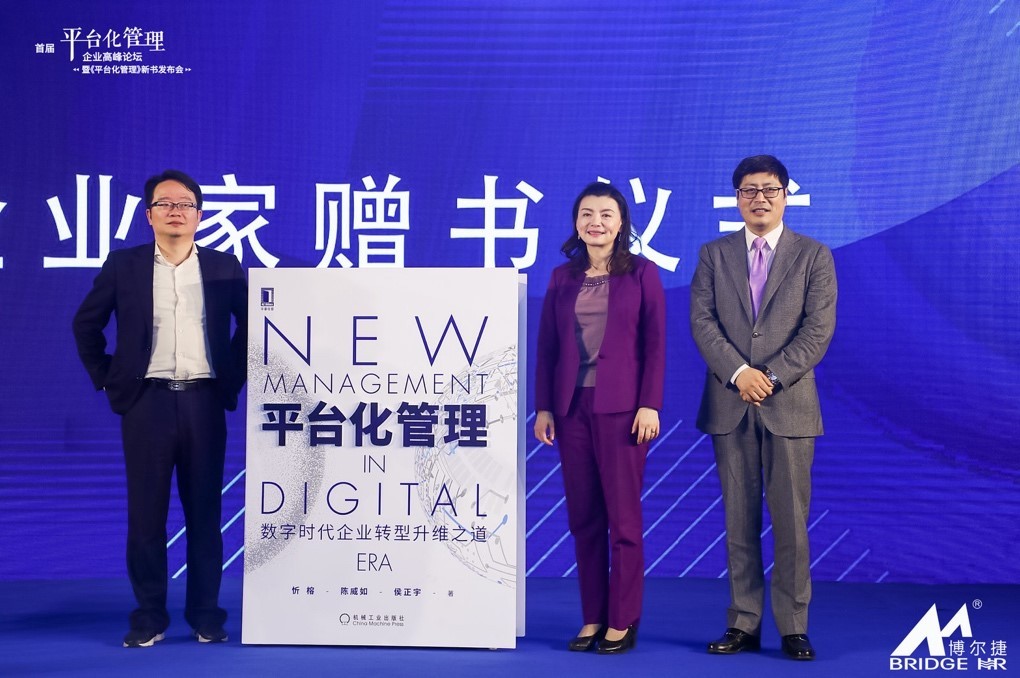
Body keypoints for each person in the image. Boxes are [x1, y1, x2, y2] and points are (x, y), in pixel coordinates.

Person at [72, 170, 247, 648]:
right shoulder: (124, 266)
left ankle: (206, 615)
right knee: (146, 518)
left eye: (185, 203)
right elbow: (86, 325)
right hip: (146, 403)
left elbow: (251, 326)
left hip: (204, 403)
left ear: (199, 215)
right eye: (164, 203)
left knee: (205, 515)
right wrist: (109, 377)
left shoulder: (224, 266)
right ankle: (149, 616)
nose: (175, 211)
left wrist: (230, 378)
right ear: (148, 215)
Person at [690, 155, 836, 660]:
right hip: (730, 403)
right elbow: (702, 322)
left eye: (769, 189)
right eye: (749, 190)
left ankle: (794, 626)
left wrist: (769, 376)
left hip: (789, 404)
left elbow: (818, 330)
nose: (760, 198)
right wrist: (739, 373)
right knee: (739, 520)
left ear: (785, 196)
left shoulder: (813, 255)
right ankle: (743, 622)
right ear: (737, 199)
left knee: (792, 522)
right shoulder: (714, 254)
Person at [534, 181, 665, 655]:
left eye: (606, 214)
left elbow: (655, 344)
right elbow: (548, 348)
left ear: (621, 223)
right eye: (587, 214)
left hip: (623, 410)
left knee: (623, 520)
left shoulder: (642, 273)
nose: (596, 222)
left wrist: (650, 403)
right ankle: (592, 616)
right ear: (576, 223)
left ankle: (622, 619)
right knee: (583, 518)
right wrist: (544, 407)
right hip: (571, 410)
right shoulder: (561, 278)